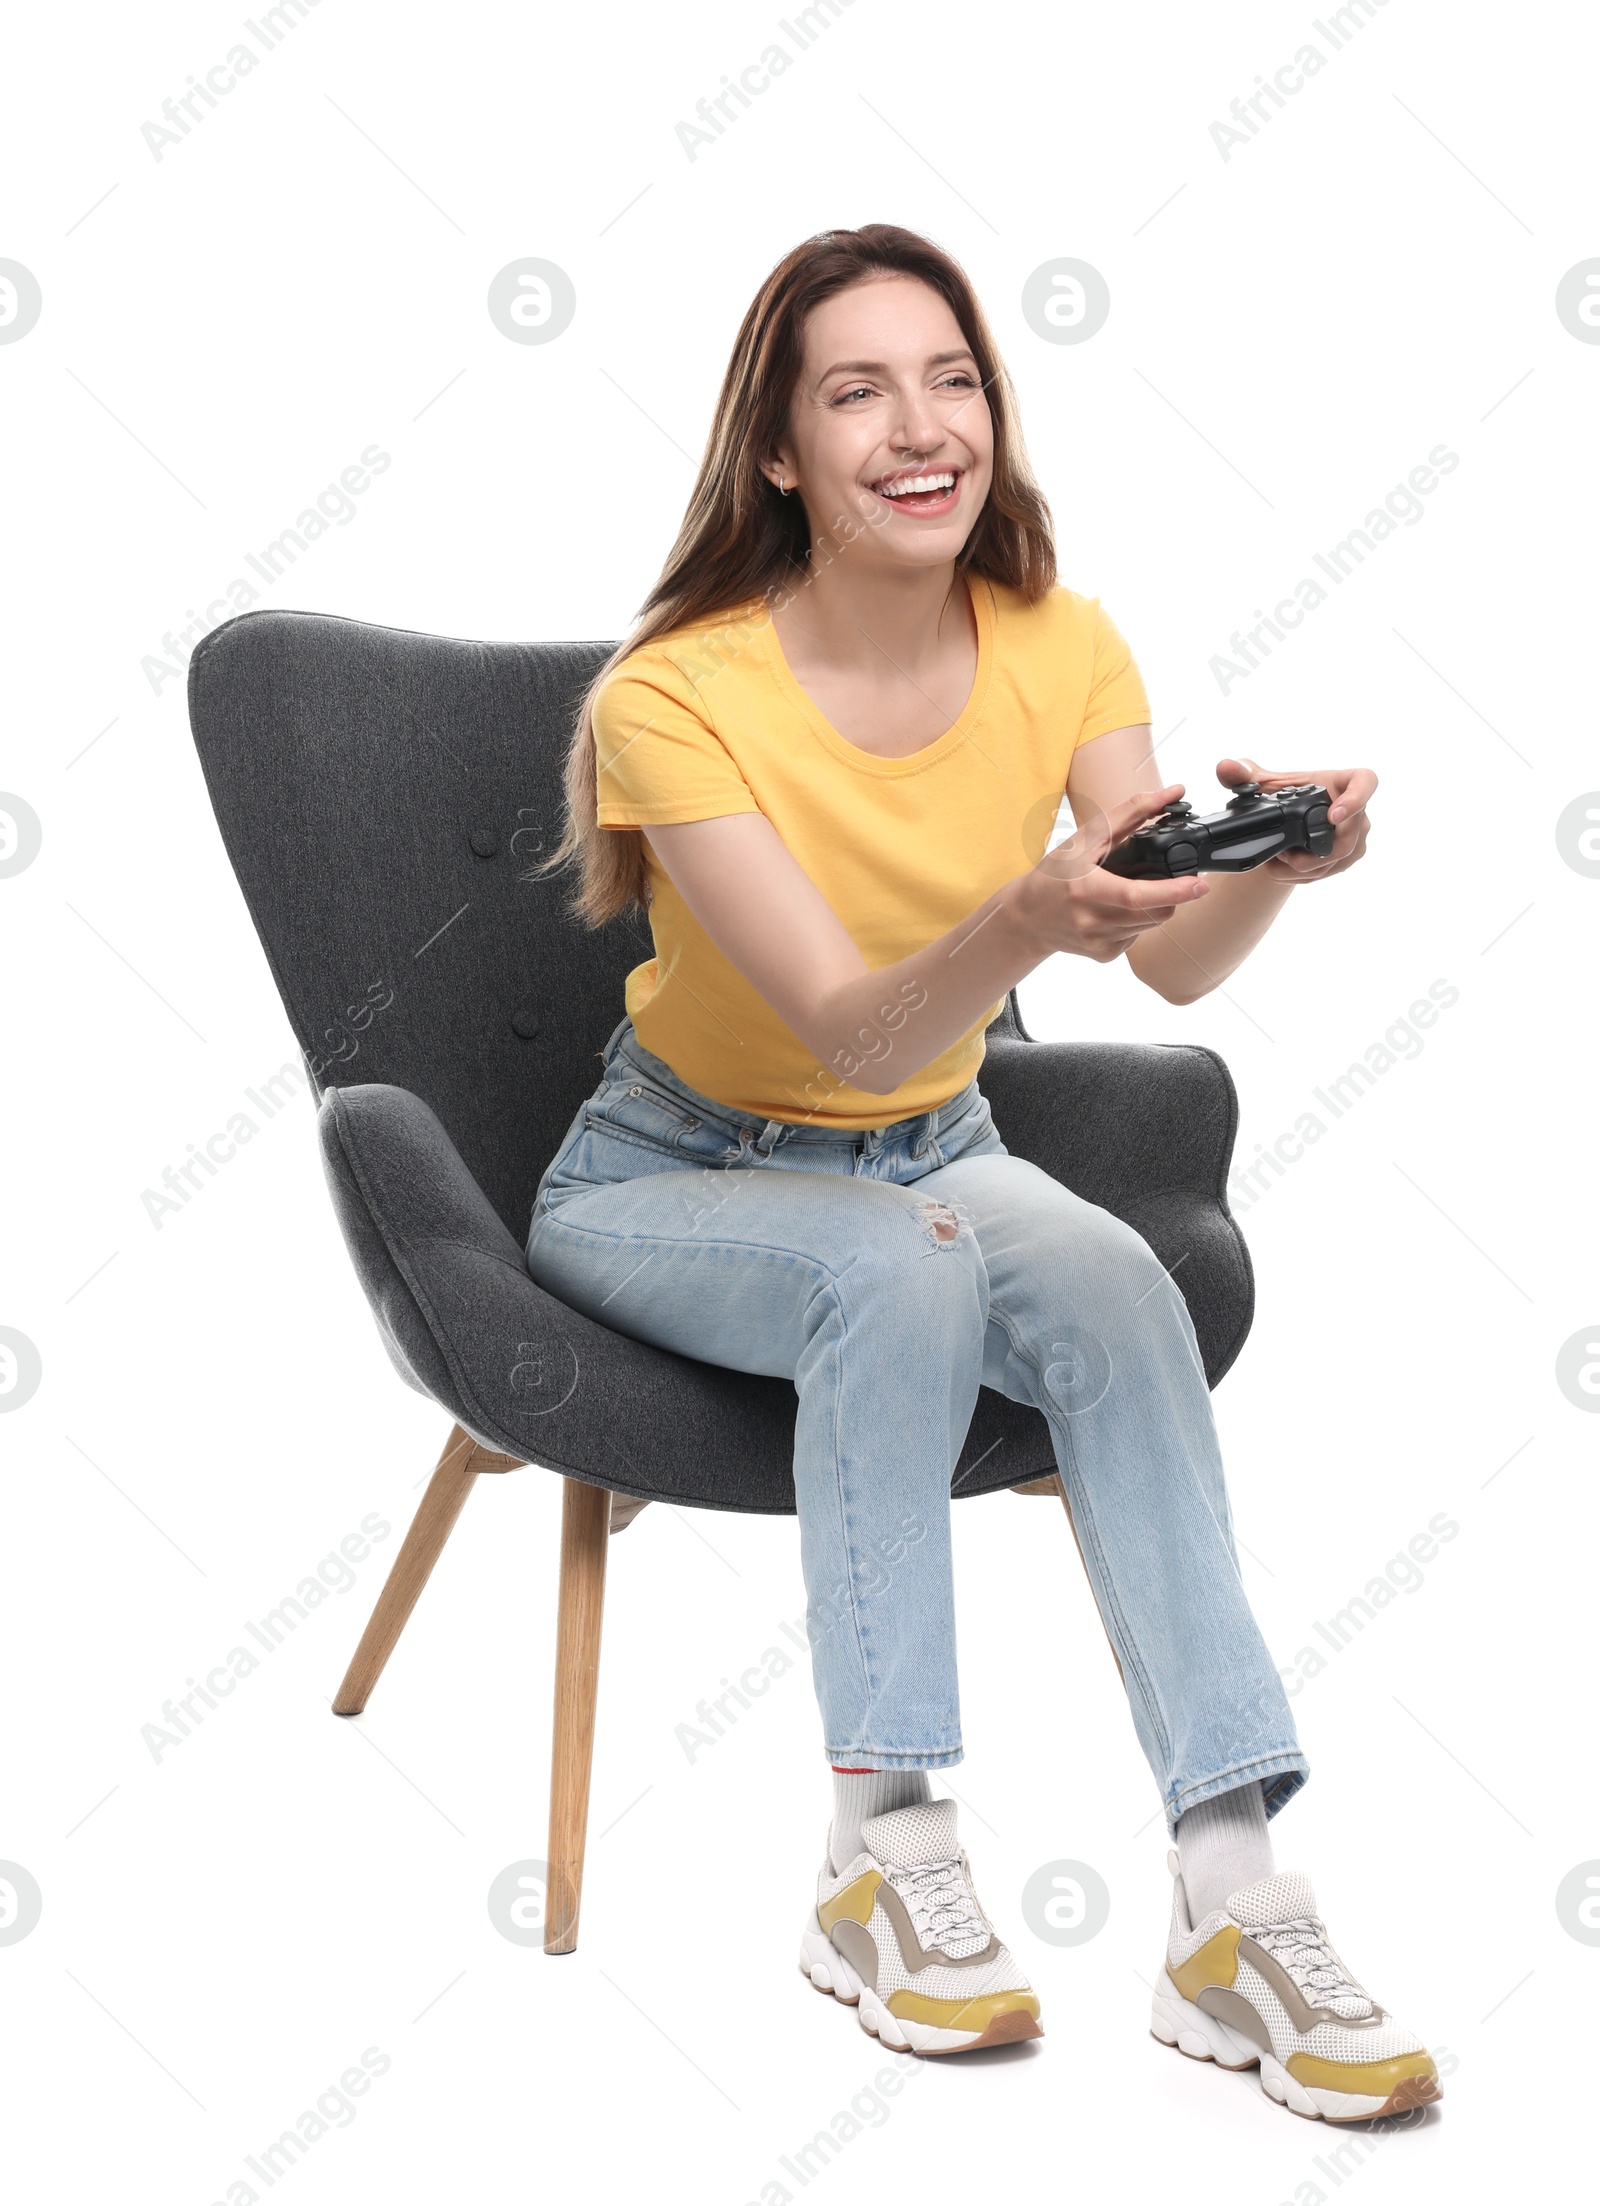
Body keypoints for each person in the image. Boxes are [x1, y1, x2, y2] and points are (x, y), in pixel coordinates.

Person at [526, 223, 1439, 2118]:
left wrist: (1263, 864)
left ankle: (1231, 1892)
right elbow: (851, 1028)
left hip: (936, 1145)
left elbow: (1163, 951)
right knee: (897, 1270)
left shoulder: (1059, 639)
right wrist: (1029, 914)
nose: (919, 425)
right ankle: (883, 1849)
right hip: (673, 1167)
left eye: (951, 378)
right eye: (856, 390)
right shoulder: (673, 696)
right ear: (777, 448)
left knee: (1117, 1281)